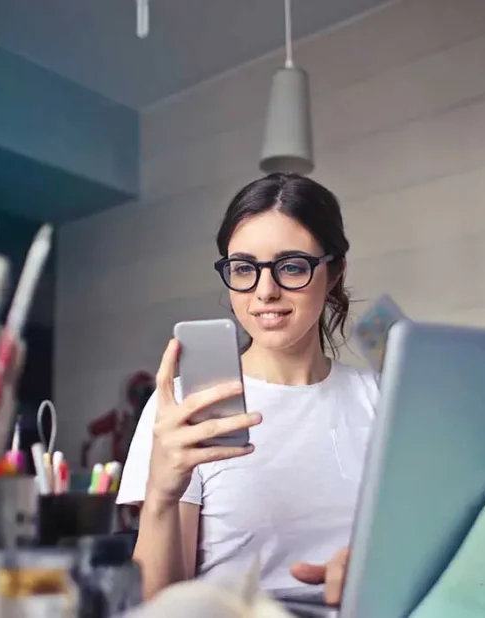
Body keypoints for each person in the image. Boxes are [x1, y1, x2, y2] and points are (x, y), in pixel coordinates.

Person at [117, 173, 377, 605]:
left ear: (333, 273)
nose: (265, 291)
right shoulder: (187, 407)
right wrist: (161, 494)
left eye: (291, 266)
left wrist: (376, 570)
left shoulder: (383, 400)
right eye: (244, 269)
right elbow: (160, 607)